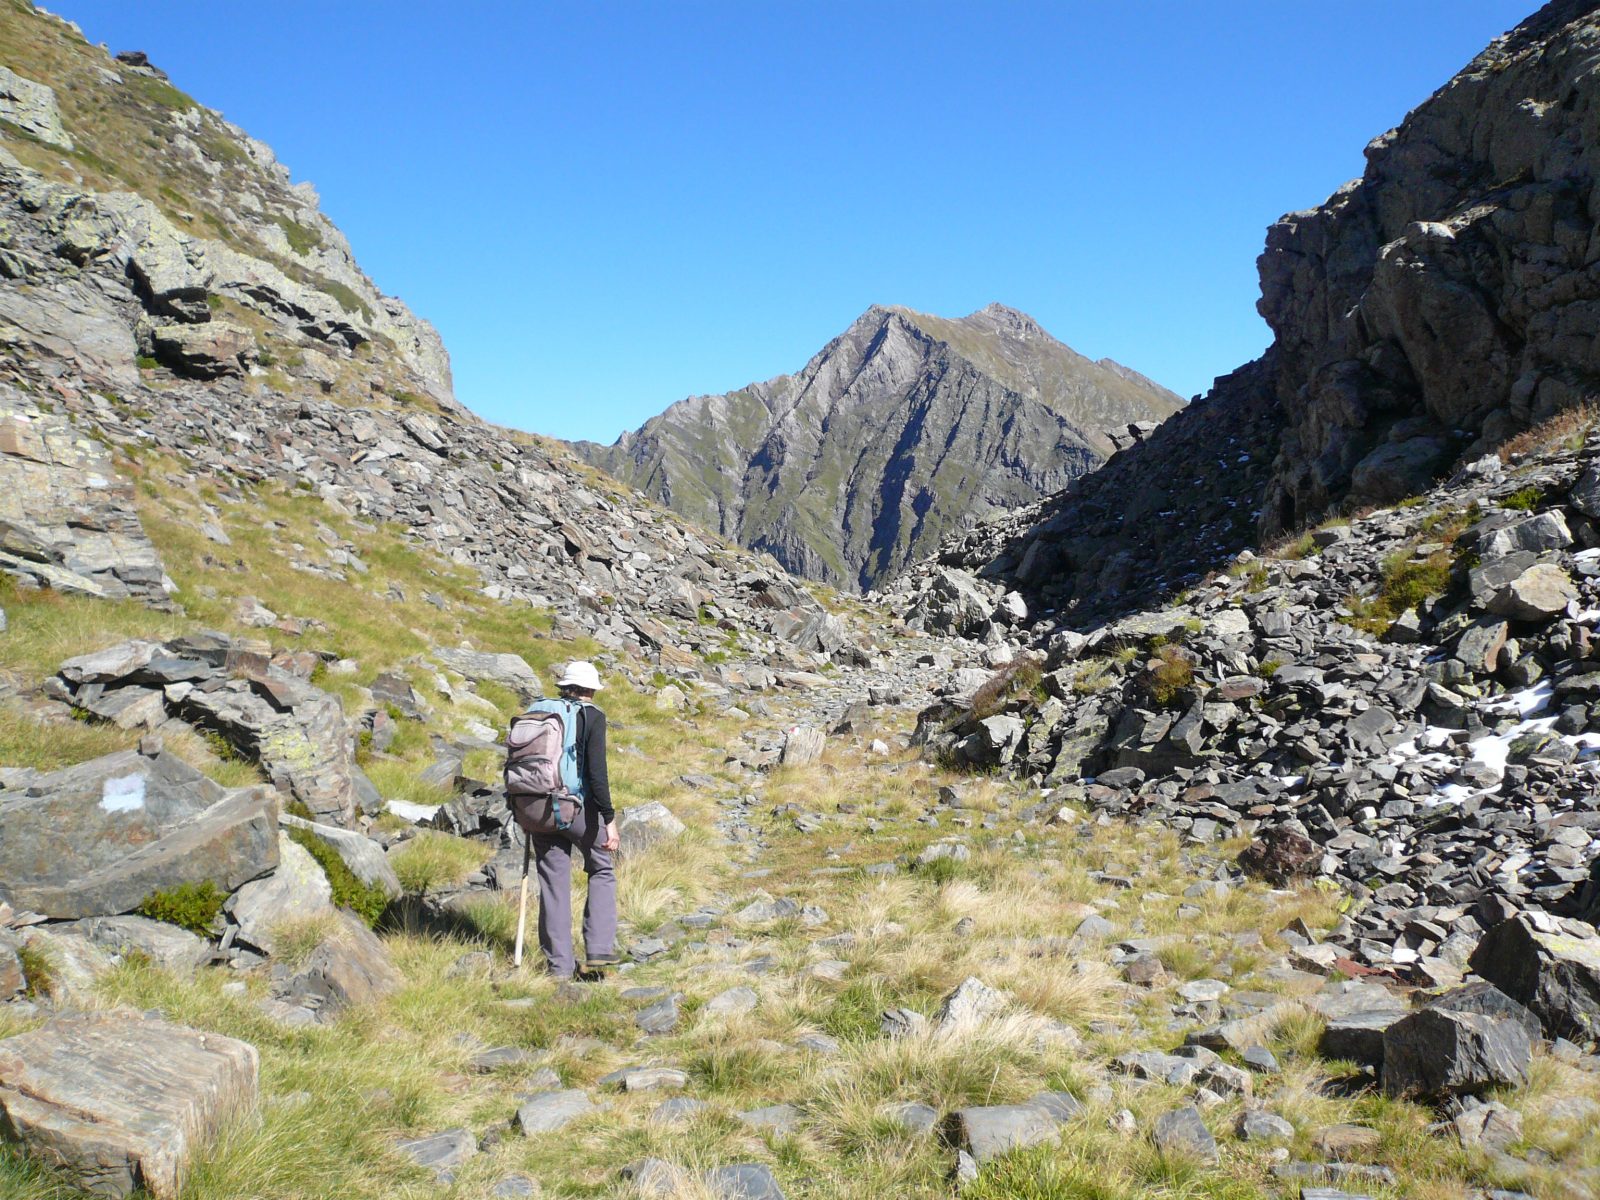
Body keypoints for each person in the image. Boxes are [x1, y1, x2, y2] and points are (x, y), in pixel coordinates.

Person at [530, 660, 620, 979]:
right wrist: (609, 818)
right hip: (573, 806)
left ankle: (559, 968)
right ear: (591, 689)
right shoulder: (591, 716)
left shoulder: (538, 710)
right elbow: (597, 774)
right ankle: (598, 952)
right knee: (601, 866)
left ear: (566, 687)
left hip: (536, 807)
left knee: (553, 882)